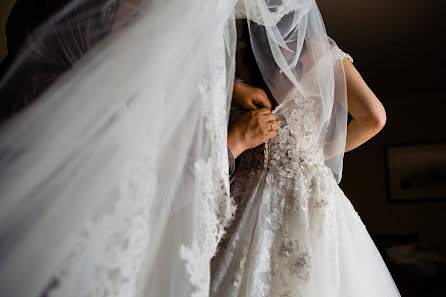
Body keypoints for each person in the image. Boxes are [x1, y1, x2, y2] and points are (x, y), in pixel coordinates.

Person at [210, 3, 400, 297]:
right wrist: (310, 154)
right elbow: (375, 117)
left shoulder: (227, 55)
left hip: (237, 197)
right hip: (304, 194)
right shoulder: (321, 53)